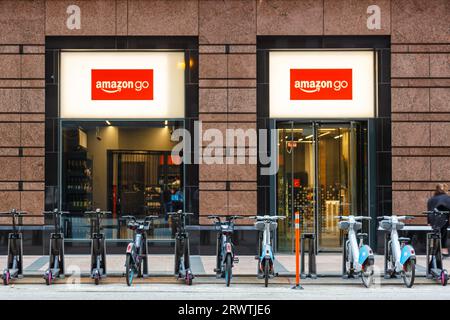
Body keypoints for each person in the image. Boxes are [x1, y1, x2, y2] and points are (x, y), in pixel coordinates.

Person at [427, 183, 450, 256]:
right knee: (444, 233)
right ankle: (443, 249)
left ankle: (434, 249)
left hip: (433, 220)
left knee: (435, 233)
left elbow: (429, 210)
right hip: (443, 219)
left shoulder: (431, 199)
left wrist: (429, 222)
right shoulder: (447, 198)